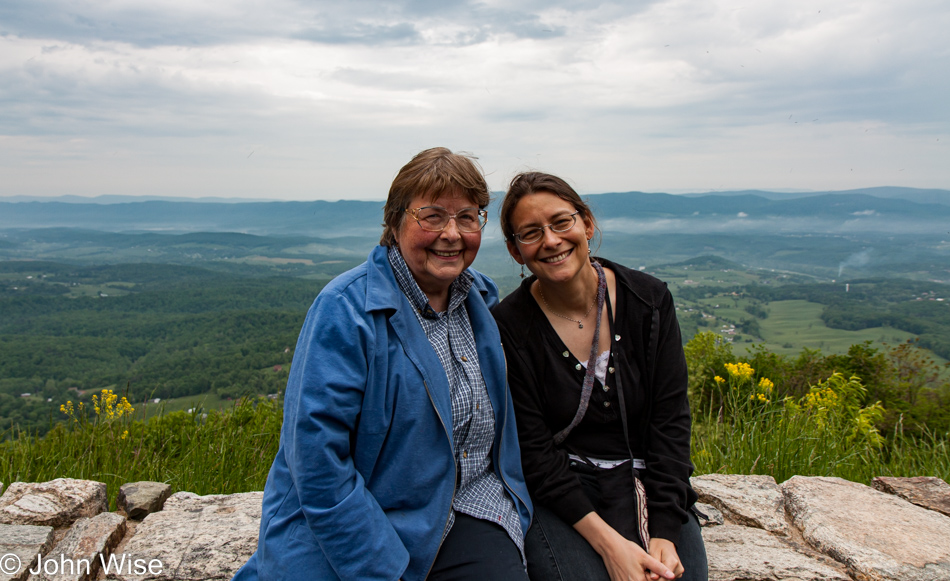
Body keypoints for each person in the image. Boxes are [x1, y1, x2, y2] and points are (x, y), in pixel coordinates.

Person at [232, 148, 532, 581]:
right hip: (359, 527)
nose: (452, 233)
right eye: (431, 216)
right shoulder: (345, 309)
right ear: (395, 223)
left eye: (468, 216)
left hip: (467, 509)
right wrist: (380, 570)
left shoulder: (480, 300)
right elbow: (318, 463)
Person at [492, 172, 707, 581]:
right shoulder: (509, 327)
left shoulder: (649, 301)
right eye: (531, 233)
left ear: (586, 224)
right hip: (561, 495)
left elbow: (670, 422)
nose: (551, 241)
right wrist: (610, 546)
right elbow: (534, 453)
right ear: (516, 251)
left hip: (644, 479)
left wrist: (664, 530)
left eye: (561, 222)